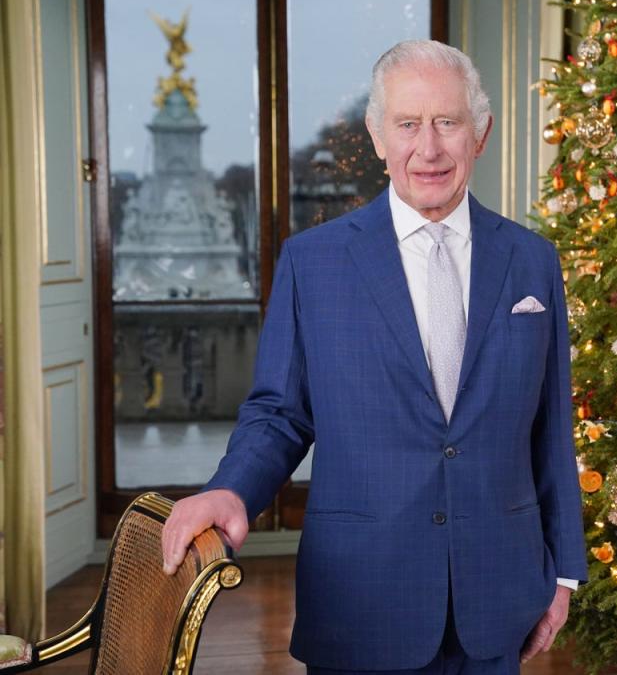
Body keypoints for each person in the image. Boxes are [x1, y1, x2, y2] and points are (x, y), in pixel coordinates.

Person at [161, 40, 587, 675]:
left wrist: (565, 572)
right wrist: (232, 490)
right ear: (378, 135)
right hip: (362, 597)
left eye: (448, 122)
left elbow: (550, 426)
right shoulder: (315, 262)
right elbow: (280, 414)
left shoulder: (532, 260)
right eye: (408, 124)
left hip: (499, 593)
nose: (429, 148)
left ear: (481, 133)